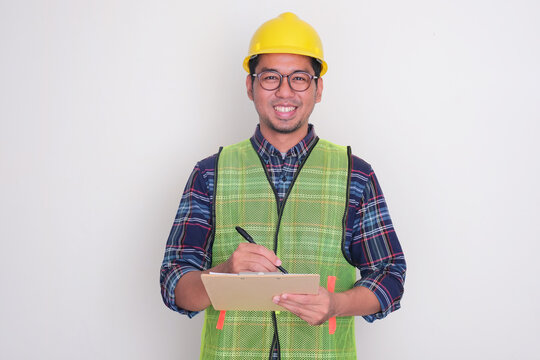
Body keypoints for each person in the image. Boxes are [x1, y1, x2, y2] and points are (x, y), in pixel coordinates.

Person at [160, 12, 406, 359]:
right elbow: (174, 287)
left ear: (318, 88)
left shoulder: (355, 175)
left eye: (300, 78)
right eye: (271, 78)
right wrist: (225, 273)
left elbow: (390, 277)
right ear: (250, 86)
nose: (285, 91)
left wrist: (336, 304)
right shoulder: (210, 174)